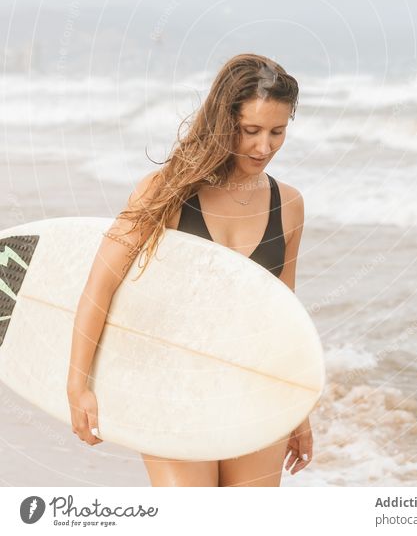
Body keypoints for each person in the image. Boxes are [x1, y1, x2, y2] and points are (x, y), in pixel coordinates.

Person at [67, 53, 314, 487]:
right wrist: (78, 385)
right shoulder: (166, 192)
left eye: (278, 132)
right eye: (251, 131)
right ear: (224, 122)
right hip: (170, 390)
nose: (264, 147)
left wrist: (299, 409)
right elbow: (99, 286)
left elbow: (283, 320)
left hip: (255, 390)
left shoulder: (288, 205)